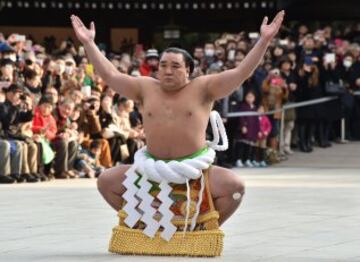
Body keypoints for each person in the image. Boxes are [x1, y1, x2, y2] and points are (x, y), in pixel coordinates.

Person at [71, 9, 284, 236]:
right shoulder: (144, 88)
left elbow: (241, 72)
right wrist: (89, 44)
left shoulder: (204, 88)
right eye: (163, 65)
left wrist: (264, 40)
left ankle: (201, 229)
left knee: (235, 188)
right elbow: (111, 75)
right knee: (106, 181)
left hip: (194, 170)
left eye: (175, 66)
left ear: (189, 70)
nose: (167, 71)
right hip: (151, 169)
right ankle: (145, 225)